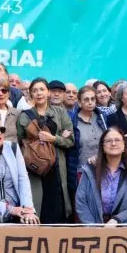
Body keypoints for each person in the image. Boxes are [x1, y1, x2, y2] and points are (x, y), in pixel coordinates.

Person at [17, 78, 74, 223]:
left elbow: (70, 141)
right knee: (37, 209)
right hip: (34, 168)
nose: (39, 93)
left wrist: (54, 138)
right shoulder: (24, 115)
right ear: (30, 94)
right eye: (34, 90)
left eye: (42, 89)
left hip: (56, 169)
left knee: (57, 212)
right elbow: (19, 142)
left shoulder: (60, 112)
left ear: (48, 92)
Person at [75, 127, 127, 225]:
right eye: (108, 141)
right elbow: (81, 202)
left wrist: (117, 219)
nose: (113, 143)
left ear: (124, 145)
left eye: (117, 140)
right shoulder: (90, 170)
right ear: (102, 147)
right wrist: (92, 226)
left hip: (125, 227)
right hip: (93, 228)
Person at [67, 86, 107, 201]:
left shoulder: (103, 118)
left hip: (103, 169)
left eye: (93, 99)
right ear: (79, 102)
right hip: (81, 172)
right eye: (86, 100)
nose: (90, 102)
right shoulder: (71, 121)